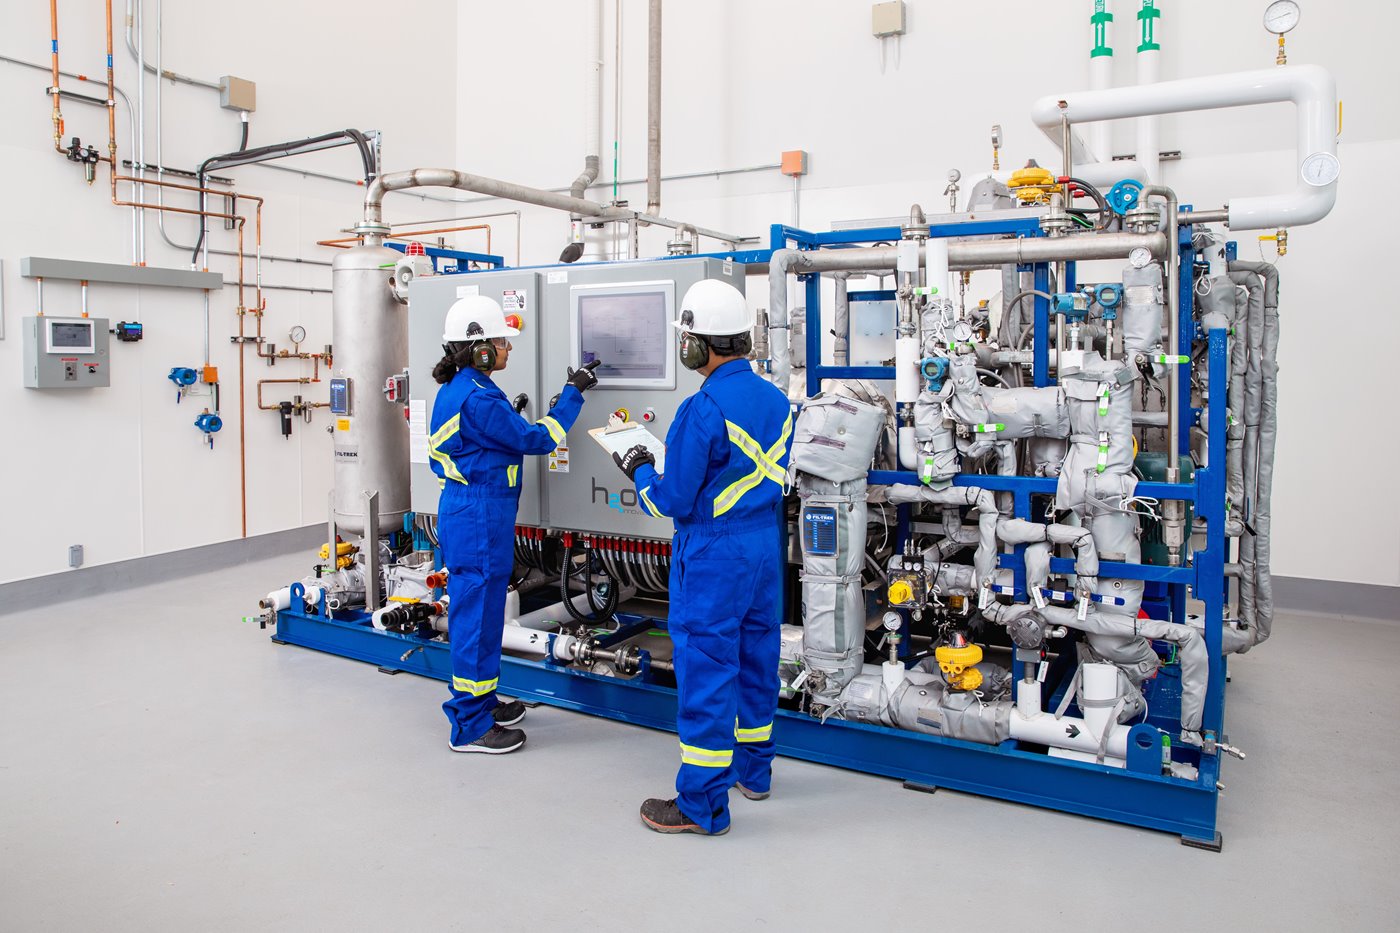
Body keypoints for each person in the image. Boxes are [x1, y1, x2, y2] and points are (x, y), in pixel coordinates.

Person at [611, 279, 792, 835]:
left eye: (685, 337)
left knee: (709, 668)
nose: (681, 346)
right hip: (765, 545)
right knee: (758, 656)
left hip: (714, 552)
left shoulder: (702, 407)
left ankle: (701, 806)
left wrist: (639, 465)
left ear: (699, 344)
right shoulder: (777, 399)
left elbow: (674, 500)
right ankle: (755, 774)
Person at [429, 294, 601, 754]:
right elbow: (536, 439)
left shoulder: (468, 389)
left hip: (476, 512)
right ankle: (469, 724)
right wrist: (573, 395)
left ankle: (482, 701)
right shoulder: (479, 399)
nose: (509, 348)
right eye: (502, 342)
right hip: (479, 515)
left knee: (482, 613)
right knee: (478, 618)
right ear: (479, 348)